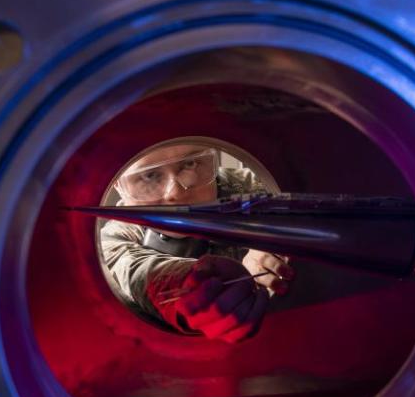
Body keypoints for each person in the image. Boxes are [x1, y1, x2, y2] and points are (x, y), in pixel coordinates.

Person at [99, 143, 294, 343]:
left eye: (190, 164)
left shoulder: (259, 189)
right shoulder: (114, 239)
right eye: (149, 176)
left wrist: (274, 241)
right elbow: (138, 270)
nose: (175, 193)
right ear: (118, 184)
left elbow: (304, 209)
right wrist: (194, 286)